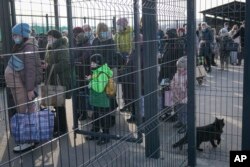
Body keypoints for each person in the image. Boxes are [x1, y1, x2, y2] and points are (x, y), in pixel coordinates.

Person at [4, 23, 42, 152]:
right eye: (13, 35)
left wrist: (30, 89)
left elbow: (30, 70)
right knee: (28, 110)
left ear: (23, 34)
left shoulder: (28, 46)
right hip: (20, 84)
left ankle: (29, 141)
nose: (14, 37)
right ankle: (32, 138)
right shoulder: (24, 45)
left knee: (24, 112)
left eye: (16, 34)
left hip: (23, 86)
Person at [42, 30, 71, 136]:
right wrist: (46, 64)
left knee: (60, 106)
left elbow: (65, 63)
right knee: (56, 105)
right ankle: (58, 125)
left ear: (56, 38)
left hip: (59, 80)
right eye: (48, 37)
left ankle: (63, 129)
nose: (48, 39)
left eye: (50, 37)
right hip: (52, 79)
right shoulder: (50, 48)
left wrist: (49, 67)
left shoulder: (62, 48)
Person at [85, 54, 113, 145]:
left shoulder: (102, 73)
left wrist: (90, 81)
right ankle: (95, 133)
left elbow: (99, 88)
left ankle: (106, 137)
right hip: (98, 100)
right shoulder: (97, 71)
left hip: (102, 100)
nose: (91, 64)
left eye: (93, 62)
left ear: (98, 63)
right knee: (96, 117)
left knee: (104, 119)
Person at [74, 32, 93, 120]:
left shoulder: (87, 46)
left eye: (77, 39)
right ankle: (82, 112)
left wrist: (74, 61)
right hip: (80, 73)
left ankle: (86, 113)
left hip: (86, 73)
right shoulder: (80, 45)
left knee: (85, 94)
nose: (76, 40)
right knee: (81, 94)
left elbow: (84, 58)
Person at [171, 56, 187, 134]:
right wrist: (172, 86)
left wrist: (183, 90)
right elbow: (173, 81)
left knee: (184, 112)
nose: (179, 69)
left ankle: (185, 125)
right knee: (178, 110)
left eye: (181, 67)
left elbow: (188, 87)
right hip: (177, 96)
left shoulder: (188, 76)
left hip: (184, 97)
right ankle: (180, 121)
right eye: (178, 67)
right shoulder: (176, 74)